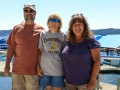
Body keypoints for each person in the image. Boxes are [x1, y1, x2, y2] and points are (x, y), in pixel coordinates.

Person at [4, 3, 44, 90]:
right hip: (17, 71)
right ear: (23, 12)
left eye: (31, 11)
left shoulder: (41, 30)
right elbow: (11, 47)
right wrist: (7, 65)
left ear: (35, 13)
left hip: (33, 73)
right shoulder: (16, 28)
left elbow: (42, 51)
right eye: (26, 10)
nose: (28, 13)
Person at [61, 13, 100, 90]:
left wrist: (92, 81)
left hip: (85, 84)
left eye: (80, 24)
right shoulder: (68, 40)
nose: (77, 26)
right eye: (74, 24)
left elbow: (97, 61)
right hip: (69, 83)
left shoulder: (90, 40)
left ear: (84, 26)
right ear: (71, 27)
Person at [37, 13, 66, 90]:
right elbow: (40, 51)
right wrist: (38, 67)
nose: (54, 22)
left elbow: (65, 53)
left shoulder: (63, 35)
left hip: (58, 70)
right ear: (48, 23)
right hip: (45, 70)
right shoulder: (43, 34)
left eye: (56, 20)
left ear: (59, 23)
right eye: (51, 20)